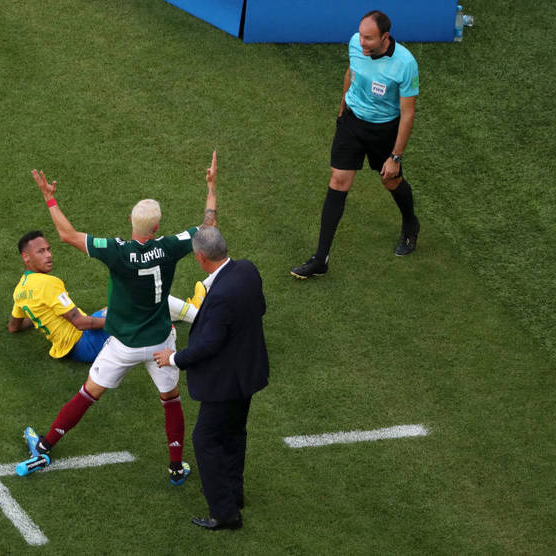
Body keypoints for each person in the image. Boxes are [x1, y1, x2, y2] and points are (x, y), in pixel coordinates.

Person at [17, 152, 219, 486]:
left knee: (87, 394)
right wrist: (211, 187)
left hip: (124, 344)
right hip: (162, 343)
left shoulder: (117, 251)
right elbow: (209, 226)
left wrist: (49, 197)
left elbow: (68, 235)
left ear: (130, 221)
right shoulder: (171, 246)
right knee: (170, 400)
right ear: (156, 228)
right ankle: (175, 467)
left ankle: (43, 447)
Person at [154, 226, 269, 530]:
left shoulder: (219, 296)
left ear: (201, 257)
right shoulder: (247, 270)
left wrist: (173, 358)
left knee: (205, 440)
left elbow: (208, 345)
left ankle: (225, 512)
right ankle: (234, 493)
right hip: (248, 372)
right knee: (234, 434)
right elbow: (259, 308)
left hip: (225, 382)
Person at [291, 9, 420, 279]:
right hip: (351, 122)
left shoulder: (405, 64)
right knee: (338, 180)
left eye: (369, 38)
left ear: (385, 37)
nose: (362, 42)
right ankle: (320, 259)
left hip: (383, 129)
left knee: (390, 180)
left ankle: (410, 223)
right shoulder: (355, 44)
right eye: (360, 35)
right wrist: (342, 111)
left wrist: (395, 157)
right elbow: (350, 74)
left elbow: (407, 113)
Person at [9, 230, 202, 363]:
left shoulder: (20, 290)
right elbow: (81, 323)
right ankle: (196, 312)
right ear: (26, 257)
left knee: (121, 307)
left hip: (70, 346)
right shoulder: (48, 283)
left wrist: (41, 317)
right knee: (143, 301)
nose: (49, 255)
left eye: (49, 249)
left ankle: (186, 310)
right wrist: (119, 323)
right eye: (41, 251)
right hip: (85, 344)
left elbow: (14, 326)